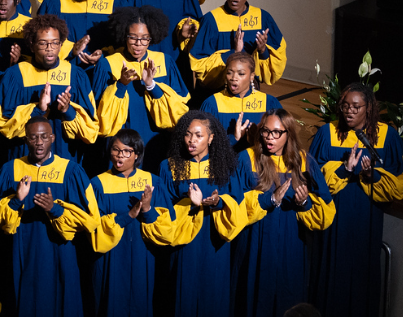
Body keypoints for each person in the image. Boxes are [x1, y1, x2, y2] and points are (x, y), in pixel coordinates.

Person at [309, 84, 403, 317]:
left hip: (366, 217)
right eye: (345, 106)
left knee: (362, 273)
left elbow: (401, 182)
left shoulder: (387, 135)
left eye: (356, 106)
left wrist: (370, 175)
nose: (349, 111)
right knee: (331, 273)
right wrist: (344, 170)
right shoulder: (327, 133)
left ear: (369, 108)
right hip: (333, 217)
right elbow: (312, 174)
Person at [233, 109, 336, 317]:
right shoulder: (247, 159)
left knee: (288, 299)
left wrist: (304, 202)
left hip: (292, 243)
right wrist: (268, 199)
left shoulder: (304, 161)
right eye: (265, 131)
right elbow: (234, 203)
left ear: (288, 134)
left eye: (277, 133)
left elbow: (325, 208)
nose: (269, 137)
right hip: (255, 242)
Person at [0, 117, 98, 317]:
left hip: (60, 251)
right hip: (21, 249)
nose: (39, 142)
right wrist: (16, 200)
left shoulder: (71, 170)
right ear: (26, 140)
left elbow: (90, 220)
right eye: (33, 137)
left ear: (52, 137)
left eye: (43, 137)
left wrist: (55, 209)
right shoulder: (10, 169)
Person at [159, 110, 246, 317]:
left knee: (213, 294)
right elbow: (163, 207)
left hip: (214, 241)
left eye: (198, 135)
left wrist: (218, 202)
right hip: (183, 242)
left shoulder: (226, 166)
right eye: (188, 134)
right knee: (182, 293)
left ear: (211, 138)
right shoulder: (169, 166)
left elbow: (239, 202)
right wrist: (190, 203)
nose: (191, 140)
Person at [87, 130, 175, 317]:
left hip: (143, 255)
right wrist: (127, 216)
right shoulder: (98, 184)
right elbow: (92, 228)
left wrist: (148, 209)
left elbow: (167, 229)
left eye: (126, 151)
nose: (120, 155)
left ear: (137, 155)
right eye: (116, 149)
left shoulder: (152, 182)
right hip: (111, 258)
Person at [93, 7, 189, 169]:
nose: (139, 44)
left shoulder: (164, 61)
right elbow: (100, 112)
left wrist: (152, 85)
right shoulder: (108, 64)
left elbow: (179, 110)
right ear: (124, 35)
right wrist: (121, 84)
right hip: (121, 143)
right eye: (133, 38)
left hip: (155, 140)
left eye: (145, 38)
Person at [0, 15, 98, 163]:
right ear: (32, 45)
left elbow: (91, 130)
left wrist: (67, 110)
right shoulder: (15, 75)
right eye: (43, 43)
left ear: (61, 44)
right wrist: (38, 109)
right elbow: (4, 124)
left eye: (55, 43)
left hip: (64, 158)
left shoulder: (76, 75)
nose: (50, 49)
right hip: (24, 158)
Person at [190, 0, 287, 92]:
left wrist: (263, 50)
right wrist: (233, 53)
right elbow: (199, 64)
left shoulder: (263, 18)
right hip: (216, 91)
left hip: (249, 89)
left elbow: (277, 58)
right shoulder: (211, 20)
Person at [200, 52, 281, 151]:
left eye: (241, 73)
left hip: (257, 163)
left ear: (252, 76)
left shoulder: (269, 103)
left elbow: (281, 140)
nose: (234, 78)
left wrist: (258, 139)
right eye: (229, 72)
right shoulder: (212, 103)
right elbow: (203, 144)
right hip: (224, 162)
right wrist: (234, 138)